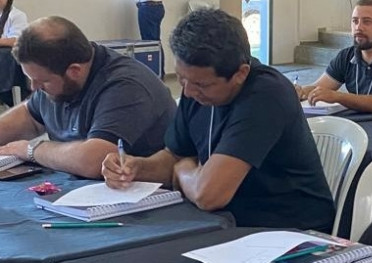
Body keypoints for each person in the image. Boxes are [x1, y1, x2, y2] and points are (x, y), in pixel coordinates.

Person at [102, 8, 335, 231]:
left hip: (288, 229)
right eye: (182, 79)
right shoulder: (194, 90)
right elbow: (175, 156)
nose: (188, 92)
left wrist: (182, 171)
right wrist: (136, 167)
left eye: (201, 84)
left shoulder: (266, 94)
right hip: (226, 222)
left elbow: (208, 195)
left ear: (240, 73)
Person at [0, 16, 174, 179]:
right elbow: (30, 117)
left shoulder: (126, 86)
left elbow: (94, 161)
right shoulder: (55, 77)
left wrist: (31, 150)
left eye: (42, 81)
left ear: (74, 71)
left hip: (140, 191)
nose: (34, 87)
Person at [295, 0, 372, 119]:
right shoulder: (346, 56)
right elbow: (318, 88)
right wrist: (298, 92)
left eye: (367, 22)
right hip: (361, 121)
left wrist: (338, 97)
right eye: (355, 21)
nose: (358, 27)